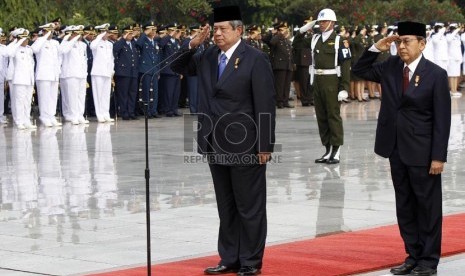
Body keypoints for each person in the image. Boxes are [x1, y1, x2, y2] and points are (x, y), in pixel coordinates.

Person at [171, 5, 275, 276]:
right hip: (213, 141)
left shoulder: (254, 58)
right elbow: (177, 66)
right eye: (214, 29)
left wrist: (265, 143)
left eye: (222, 29)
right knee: (226, 205)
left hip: (246, 143)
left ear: (238, 30)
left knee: (248, 206)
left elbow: (265, 102)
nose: (217, 34)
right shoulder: (206, 57)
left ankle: (251, 261)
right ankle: (229, 257)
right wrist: (192, 45)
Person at [352, 21, 451, 276]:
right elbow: (360, 68)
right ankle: (413, 255)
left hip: (423, 151)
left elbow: (442, 119)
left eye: (407, 41)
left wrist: (438, 156)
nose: (402, 46)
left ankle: (428, 261)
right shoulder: (391, 66)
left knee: (427, 208)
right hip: (395, 148)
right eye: (399, 41)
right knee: (405, 205)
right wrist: (378, 46)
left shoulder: (436, 74)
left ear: (422, 43)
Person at [309, 8, 351, 164]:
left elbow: (345, 65)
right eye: (320, 21)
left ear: (332, 23)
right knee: (321, 117)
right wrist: (308, 26)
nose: (321, 24)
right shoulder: (315, 39)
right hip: (318, 81)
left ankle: (336, 149)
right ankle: (327, 149)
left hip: (332, 81)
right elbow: (298, 42)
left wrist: (344, 88)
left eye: (324, 21)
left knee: (333, 116)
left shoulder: (340, 41)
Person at [31, 23, 62, 127]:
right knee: (44, 97)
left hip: (54, 74)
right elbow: (34, 50)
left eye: (51, 31)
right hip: (43, 74)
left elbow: (59, 57)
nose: (51, 33)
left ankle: (51, 116)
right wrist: (43, 37)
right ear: (43, 32)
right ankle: (44, 116)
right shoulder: (39, 41)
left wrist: (58, 71)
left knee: (53, 97)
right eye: (48, 31)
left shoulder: (55, 43)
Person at [6, 28, 36, 129]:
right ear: (19, 39)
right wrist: (17, 42)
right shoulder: (14, 49)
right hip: (19, 80)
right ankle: (19, 121)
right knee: (19, 101)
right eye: (23, 38)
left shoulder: (29, 49)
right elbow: (9, 53)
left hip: (29, 80)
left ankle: (26, 120)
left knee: (28, 101)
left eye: (27, 38)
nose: (26, 40)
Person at [113, 25, 140, 120]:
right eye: (129, 33)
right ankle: (124, 112)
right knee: (123, 94)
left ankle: (131, 112)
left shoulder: (133, 44)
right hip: (123, 73)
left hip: (133, 73)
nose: (131, 35)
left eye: (131, 33)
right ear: (124, 34)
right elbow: (115, 49)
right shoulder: (121, 43)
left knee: (132, 93)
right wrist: (123, 39)